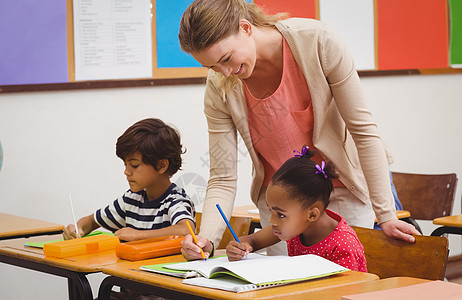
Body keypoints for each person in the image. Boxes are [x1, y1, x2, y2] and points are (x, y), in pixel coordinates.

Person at [179, 0, 419, 260]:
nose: (224, 73)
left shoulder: (317, 41)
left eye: (226, 58)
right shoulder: (220, 86)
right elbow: (223, 176)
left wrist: (386, 215)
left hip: (341, 190)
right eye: (212, 66)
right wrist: (207, 240)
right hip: (281, 206)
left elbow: (363, 131)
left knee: (343, 284)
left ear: (245, 28)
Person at [226, 147, 367, 272]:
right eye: (271, 211)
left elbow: (345, 292)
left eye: (280, 215)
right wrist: (241, 247)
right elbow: (252, 241)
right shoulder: (297, 227)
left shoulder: (343, 245)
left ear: (312, 214)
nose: (272, 221)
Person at [63, 118, 195, 242]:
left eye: (134, 165)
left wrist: (138, 235)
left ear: (161, 165)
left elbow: (186, 231)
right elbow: (92, 221)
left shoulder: (175, 200)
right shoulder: (131, 199)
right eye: (125, 164)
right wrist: (78, 228)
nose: (126, 171)